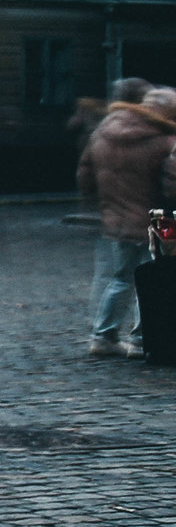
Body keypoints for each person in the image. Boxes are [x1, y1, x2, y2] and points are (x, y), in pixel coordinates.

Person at [78, 82, 175, 357]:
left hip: (117, 220)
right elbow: (173, 186)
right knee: (154, 282)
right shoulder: (166, 140)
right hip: (157, 223)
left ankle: (103, 336)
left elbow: (85, 176)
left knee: (121, 279)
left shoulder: (104, 132)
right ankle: (142, 340)